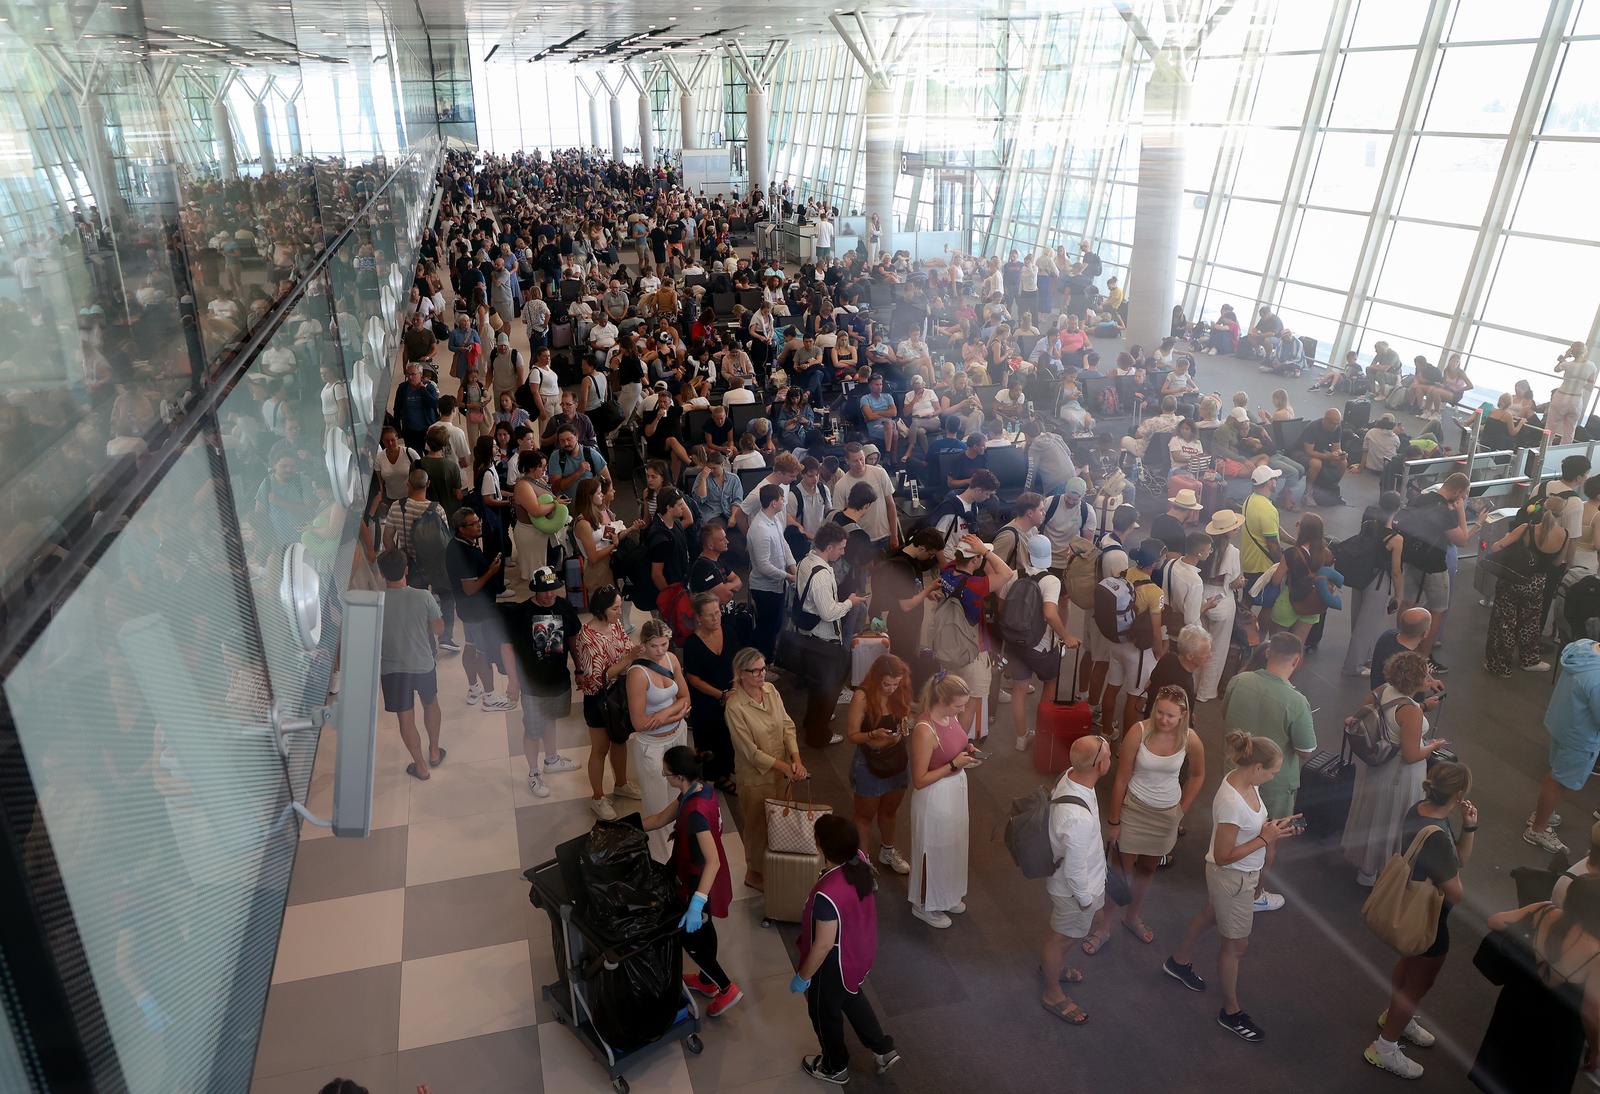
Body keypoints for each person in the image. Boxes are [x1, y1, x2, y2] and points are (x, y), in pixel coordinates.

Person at [1163, 731, 1302, 1043]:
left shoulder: (1245, 782)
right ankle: (1230, 1011)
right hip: (1233, 878)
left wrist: (1272, 831)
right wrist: (1264, 840)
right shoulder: (1231, 803)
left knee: (1212, 914)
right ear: (1256, 768)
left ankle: (1178, 961)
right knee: (1236, 947)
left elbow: (1249, 831)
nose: (1274, 776)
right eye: (1273, 771)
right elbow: (1224, 857)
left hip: (1237, 878)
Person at [1363, 761, 1477, 1080]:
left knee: (1409, 966)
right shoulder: (1438, 836)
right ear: (1458, 795)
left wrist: (1469, 827)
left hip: (1411, 907)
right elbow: (1456, 891)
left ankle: (1396, 1017)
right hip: (1430, 920)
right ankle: (1385, 1048)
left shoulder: (1420, 811)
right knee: (1419, 983)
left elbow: (1458, 861)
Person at [1087, 686, 1206, 953]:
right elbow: (1121, 778)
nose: (1163, 720)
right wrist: (1115, 821)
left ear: (1183, 715)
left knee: (1148, 870)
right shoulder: (1138, 732)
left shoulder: (1191, 739)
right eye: (1160, 712)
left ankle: (1132, 917)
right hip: (1135, 809)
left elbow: (1198, 776)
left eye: (1170, 716)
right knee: (1121, 872)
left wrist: (1180, 811)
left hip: (1166, 815)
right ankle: (1105, 925)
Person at [792, 814, 902, 1083]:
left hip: (833, 965)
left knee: (824, 1013)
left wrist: (803, 976)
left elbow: (823, 945)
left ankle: (834, 1065)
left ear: (820, 845)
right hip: (858, 953)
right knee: (852, 997)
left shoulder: (827, 894)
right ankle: (882, 1048)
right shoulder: (860, 862)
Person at [639, 746, 743, 1018]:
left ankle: (725, 987)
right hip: (694, 873)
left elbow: (712, 861)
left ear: (679, 776)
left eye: (667, 773)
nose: (664, 775)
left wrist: (697, 903)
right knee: (705, 930)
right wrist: (627, 826)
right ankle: (707, 982)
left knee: (691, 936)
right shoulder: (698, 790)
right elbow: (661, 819)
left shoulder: (695, 813)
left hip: (699, 881)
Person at [1472, 876, 1600, 1094]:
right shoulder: (1595, 953)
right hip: (1558, 1033)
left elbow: (1495, 921)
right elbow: (1590, 1012)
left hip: (1515, 1005)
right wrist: (1595, 1048)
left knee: (1503, 1069)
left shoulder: (1544, 911)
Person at [1220, 632, 1315, 911]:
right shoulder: (1297, 702)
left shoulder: (1239, 681)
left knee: (1230, 825)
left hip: (1235, 772)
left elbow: (1226, 716)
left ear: (1268, 653)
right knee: (1267, 838)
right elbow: (1306, 750)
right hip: (1274, 784)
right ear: (1296, 660)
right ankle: (1254, 894)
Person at [1341, 651, 1449, 886]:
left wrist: (1422, 707)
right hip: (1399, 775)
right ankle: (1383, 872)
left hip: (1376, 769)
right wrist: (1432, 745)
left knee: (1373, 815)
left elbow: (1378, 715)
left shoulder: (1383, 689)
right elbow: (1411, 755)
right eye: (1426, 674)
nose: (1429, 677)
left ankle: (1366, 870)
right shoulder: (1411, 711)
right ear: (1416, 681)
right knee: (1392, 821)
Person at [1041, 734, 1113, 1025]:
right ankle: (1052, 992)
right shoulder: (1077, 819)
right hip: (1074, 892)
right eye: (1108, 754)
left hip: (1079, 881)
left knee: (1063, 936)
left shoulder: (1071, 776)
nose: (1111, 757)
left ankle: (1052, 968)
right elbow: (1074, 871)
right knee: (1061, 939)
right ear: (1098, 764)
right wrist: (1087, 902)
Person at [725, 646, 808, 891]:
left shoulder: (771, 691)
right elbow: (750, 752)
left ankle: (772, 862)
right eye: (756, 671)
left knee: (779, 821)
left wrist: (796, 758)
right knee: (757, 826)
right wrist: (785, 767)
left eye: (764, 669)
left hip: (781, 773)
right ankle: (754, 872)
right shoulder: (735, 707)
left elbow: (786, 725)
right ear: (741, 673)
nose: (762, 675)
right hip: (755, 778)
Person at [500, 566, 583, 798]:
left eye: (553, 589)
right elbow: (506, 647)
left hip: (558, 680)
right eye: (543, 591)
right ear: (535, 589)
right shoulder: (522, 613)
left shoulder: (564, 606)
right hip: (532, 685)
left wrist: (579, 667)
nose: (549, 595)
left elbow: (574, 639)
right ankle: (534, 772)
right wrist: (513, 681)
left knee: (551, 719)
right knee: (532, 730)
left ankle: (552, 759)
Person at [907, 672, 981, 929]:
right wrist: (953, 764)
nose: (963, 709)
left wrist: (966, 752)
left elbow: (956, 743)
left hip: (955, 789)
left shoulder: (951, 716)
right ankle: (924, 903)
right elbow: (919, 779)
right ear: (943, 700)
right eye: (959, 705)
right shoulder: (924, 730)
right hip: (934, 797)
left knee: (953, 845)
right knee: (932, 847)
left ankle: (946, 894)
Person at [1005, 534, 1082, 751]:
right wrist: (1066, 636)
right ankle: (1041, 734)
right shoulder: (1051, 581)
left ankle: (1021, 738)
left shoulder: (1013, 574)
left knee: (1019, 690)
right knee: (1050, 683)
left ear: (1028, 554)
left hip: (1015, 642)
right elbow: (1049, 613)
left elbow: (1002, 607)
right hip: (1040, 646)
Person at [623, 619, 693, 861]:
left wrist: (663, 714)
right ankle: (662, 858)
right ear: (644, 644)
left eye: (665, 644)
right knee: (657, 804)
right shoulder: (637, 674)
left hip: (677, 735)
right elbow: (640, 723)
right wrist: (676, 712)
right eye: (654, 646)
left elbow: (686, 698)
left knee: (679, 795)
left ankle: (680, 847)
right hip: (652, 746)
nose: (661, 650)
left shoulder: (672, 660)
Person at [795, 523, 870, 747]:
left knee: (818, 687)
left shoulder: (805, 562)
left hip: (809, 636)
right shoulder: (822, 575)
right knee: (827, 689)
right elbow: (828, 612)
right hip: (823, 639)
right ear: (829, 547)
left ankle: (813, 721)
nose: (843, 552)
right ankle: (819, 734)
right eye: (841, 548)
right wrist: (850, 602)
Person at [1526, 638, 1600, 854]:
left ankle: (1543, 813)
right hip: (1580, 737)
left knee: (1556, 773)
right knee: (1558, 780)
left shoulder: (1584, 647)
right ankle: (1538, 828)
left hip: (1563, 723)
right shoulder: (1598, 679)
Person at [376, 549, 445, 780]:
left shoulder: (377, 602)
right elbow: (439, 629)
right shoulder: (423, 597)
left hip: (392, 670)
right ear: (406, 569)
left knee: (405, 717)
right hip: (422, 663)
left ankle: (421, 766)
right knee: (430, 703)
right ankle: (434, 751)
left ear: (381, 573)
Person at [573, 585, 640, 819]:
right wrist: (628, 659)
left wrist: (639, 651)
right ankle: (598, 797)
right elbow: (597, 677)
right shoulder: (587, 637)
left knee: (620, 740)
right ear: (601, 610)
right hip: (598, 699)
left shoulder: (616, 624)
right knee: (600, 748)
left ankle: (621, 784)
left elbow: (625, 646)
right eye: (615, 608)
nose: (620, 612)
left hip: (619, 694)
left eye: (620, 607)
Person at [1484, 495, 1569, 677]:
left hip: (1513, 580)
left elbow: (1497, 547)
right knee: (1530, 622)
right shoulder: (1564, 534)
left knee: (1505, 622)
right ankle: (1529, 660)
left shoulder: (1526, 529)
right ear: (1561, 513)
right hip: (1537, 582)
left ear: (1543, 509)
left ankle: (1500, 666)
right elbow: (1557, 563)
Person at [845, 653, 914, 875]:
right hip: (869, 763)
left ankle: (888, 850)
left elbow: (906, 717)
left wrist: (904, 729)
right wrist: (872, 735)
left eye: (896, 683)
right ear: (876, 678)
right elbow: (852, 735)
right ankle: (863, 863)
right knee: (864, 815)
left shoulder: (901, 691)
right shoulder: (862, 696)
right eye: (886, 684)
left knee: (890, 811)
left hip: (896, 760)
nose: (891, 688)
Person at [1396, 472, 1474, 665]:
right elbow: (1462, 539)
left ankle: (1401, 644)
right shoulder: (1444, 512)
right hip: (1434, 566)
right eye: (1463, 496)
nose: (1463, 499)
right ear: (1457, 491)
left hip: (1411, 558)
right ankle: (1423, 657)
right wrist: (1461, 512)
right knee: (1439, 609)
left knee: (1407, 602)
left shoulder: (1420, 499)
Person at [444, 507, 510, 711]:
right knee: (483, 653)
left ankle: (473, 688)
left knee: (471, 646)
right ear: (461, 529)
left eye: (478, 520)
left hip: (468, 610)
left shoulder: (460, 545)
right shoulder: (463, 553)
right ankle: (489, 696)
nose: (478, 525)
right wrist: (491, 571)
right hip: (477, 611)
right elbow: (470, 588)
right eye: (473, 523)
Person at [1342, 492, 1406, 678]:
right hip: (1378, 582)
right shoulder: (1395, 539)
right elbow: (1396, 571)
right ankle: (1353, 666)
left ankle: (1365, 655)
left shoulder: (1369, 523)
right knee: (1367, 625)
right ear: (1398, 508)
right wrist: (1398, 594)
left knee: (1358, 619)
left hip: (1361, 575)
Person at [681, 593, 738, 793]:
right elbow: (694, 679)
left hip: (731, 694)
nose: (716, 618)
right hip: (706, 701)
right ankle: (714, 777)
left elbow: (737, 661)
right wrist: (720, 695)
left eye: (717, 612)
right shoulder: (692, 644)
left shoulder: (728, 631)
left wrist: (735, 687)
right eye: (710, 615)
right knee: (709, 741)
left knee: (729, 737)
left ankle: (727, 771)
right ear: (698, 617)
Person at [1195, 509, 1244, 703]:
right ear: (1228, 532)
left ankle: (1194, 683)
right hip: (1222, 601)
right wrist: (1239, 583)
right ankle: (1205, 692)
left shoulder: (1205, 547)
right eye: (1235, 528)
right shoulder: (1233, 552)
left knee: (1199, 644)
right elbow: (1232, 583)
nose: (1238, 530)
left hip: (1201, 597)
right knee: (1217, 648)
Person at [746, 483, 796, 659]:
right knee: (766, 628)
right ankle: (762, 662)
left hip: (777, 585)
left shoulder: (774, 519)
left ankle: (767, 660)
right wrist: (788, 576)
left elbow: (783, 544)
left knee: (775, 625)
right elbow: (763, 566)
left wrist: (793, 566)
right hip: (764, 588)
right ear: (774, 502)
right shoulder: (760, 529)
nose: (784, 501)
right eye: (782, 498)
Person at [1267, 512, 1333, 642]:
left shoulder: (1292, 553)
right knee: (1297, 646)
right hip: (1312, 603)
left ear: (1303, 530)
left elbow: (1276, 580)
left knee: (1276, 644)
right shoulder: (1326, 553)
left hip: (1289, 602)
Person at [1239, 466, 1283, 608]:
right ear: (1269, 483)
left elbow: (1274, 529)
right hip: (1263, 566)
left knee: (1247, 600)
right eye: (1274, 478)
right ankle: (1253, 630)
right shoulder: (1267, 509)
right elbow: (1273, 544)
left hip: (1249, 562)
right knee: (1268, 604)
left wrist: (1293, 541)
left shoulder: (1249, 500)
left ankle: (1240, 628)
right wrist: (1282, 565)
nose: (1276, 481)